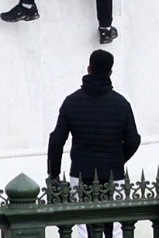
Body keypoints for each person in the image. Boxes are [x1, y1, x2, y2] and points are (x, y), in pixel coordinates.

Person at [48, 55, 142, 187]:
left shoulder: (71, 102)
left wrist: (53, 174)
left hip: (80, 175)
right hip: (113, 176)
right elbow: (133, 140)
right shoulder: (122, 104)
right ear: (110, 72)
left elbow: (56, 140)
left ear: (89, 69)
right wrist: (117, 160)